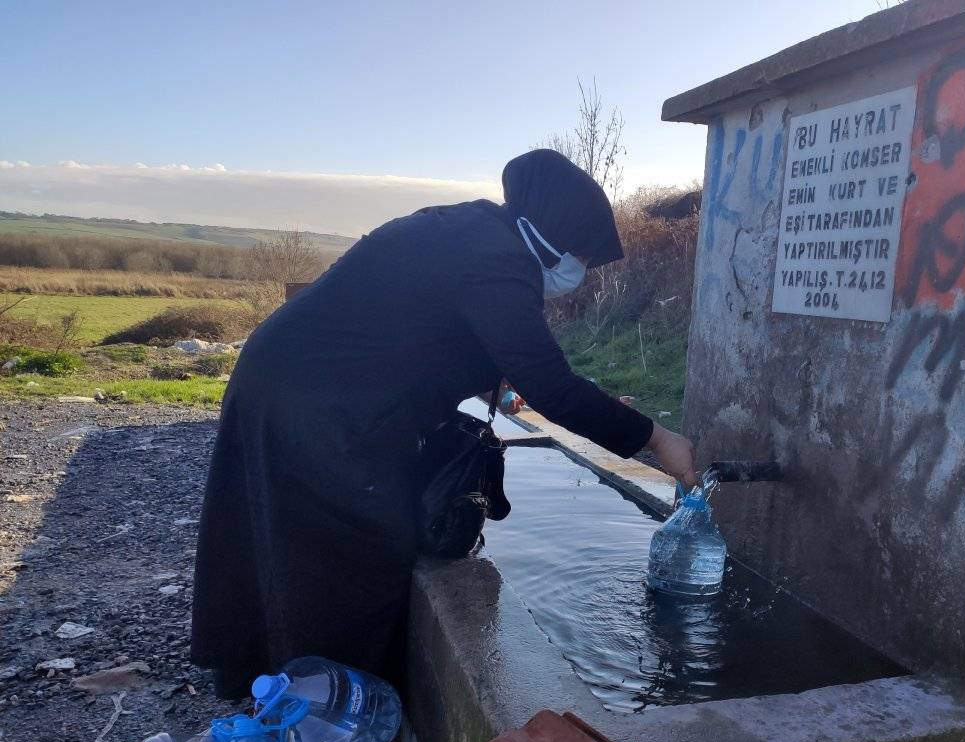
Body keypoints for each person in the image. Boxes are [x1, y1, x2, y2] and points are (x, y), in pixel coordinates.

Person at [189, 149, 697, 699]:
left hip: (294, 377)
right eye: (580, 253)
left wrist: (495, 383)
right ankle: (341, 707)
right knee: (353, 540)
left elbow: (423, 325)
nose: (577, 269)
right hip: (318, 400)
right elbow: (551, 383)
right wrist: (657, 438)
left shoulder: (476, 230)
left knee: (276, 522)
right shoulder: (498, 261)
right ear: (553, 233)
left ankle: (260, 669)